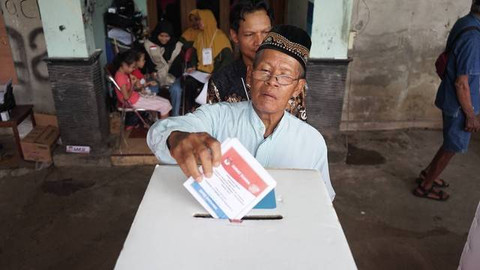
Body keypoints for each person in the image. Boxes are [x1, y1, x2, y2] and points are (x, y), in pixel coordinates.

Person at [147, 25, 335, 201]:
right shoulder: (218, 118)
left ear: (297, 88)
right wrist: (176, 137)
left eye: (284, 75)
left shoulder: (312, 143)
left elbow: (321, 201)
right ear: (249, 75)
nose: (272, 82)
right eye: (265, 70)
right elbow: (158, 133)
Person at [413, 1, 480, 201]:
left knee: (450, 142)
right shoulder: (474, 38)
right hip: (461, 105)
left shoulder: (465, 22)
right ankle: (425, 186)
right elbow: (462, 83)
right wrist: (470, 115)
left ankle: (429, 172)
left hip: (452, 99)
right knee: (453, 147)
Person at [207, 0, 308, 121]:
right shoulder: (221, 82)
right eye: (249, 34)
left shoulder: (291, 79)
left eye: (266, 32)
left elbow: (299, 126)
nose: (260, 41)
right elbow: (214, 128)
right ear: (234, 36)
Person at [169, 9, 233, 113]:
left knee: (209, 86)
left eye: (200, 20)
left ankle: (202, 111)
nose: (198, 23)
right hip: (200, 72)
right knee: (189, 83)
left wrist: (215, 73)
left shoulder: (221, 37)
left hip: (214, 73)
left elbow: (227, 60)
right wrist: (193, 65)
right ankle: (191, 109)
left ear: (208, 20)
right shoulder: (200, 36)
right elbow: (194, 53)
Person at [114, 50, 172, 119]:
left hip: (135, 97)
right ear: (124, 65)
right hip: (133, 101)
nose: (133, 69)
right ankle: (163, 128)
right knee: (165, 105)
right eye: (132, 67)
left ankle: (159, 124)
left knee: (166, 102)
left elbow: (128, 89)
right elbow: (126, 97)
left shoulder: (124, 74)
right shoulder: (121, 77)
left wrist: (135, 85)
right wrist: (133, 85)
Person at [144, 20, 183, 116]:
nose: (164, 39)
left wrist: (168, 76)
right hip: (156, 76)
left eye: (167, 36)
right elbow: (147, 62)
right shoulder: (149, 44)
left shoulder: (176, 46)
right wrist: (153, 71)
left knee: (176, 89)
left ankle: (175, 116)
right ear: (157, 34)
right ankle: (154, 117)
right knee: (152, 89)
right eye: (161, 35)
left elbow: (177, 66)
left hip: (171, 76)